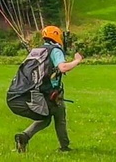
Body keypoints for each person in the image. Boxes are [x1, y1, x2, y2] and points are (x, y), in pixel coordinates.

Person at [13, 25, 83, 153]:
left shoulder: (38, 50)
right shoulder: (55, 50)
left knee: (45, 119)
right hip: (51, 92)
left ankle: (24, 137)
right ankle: (64, 147)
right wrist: (76, 61)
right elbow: (63, 68)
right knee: (59, 117)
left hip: (37, 91)